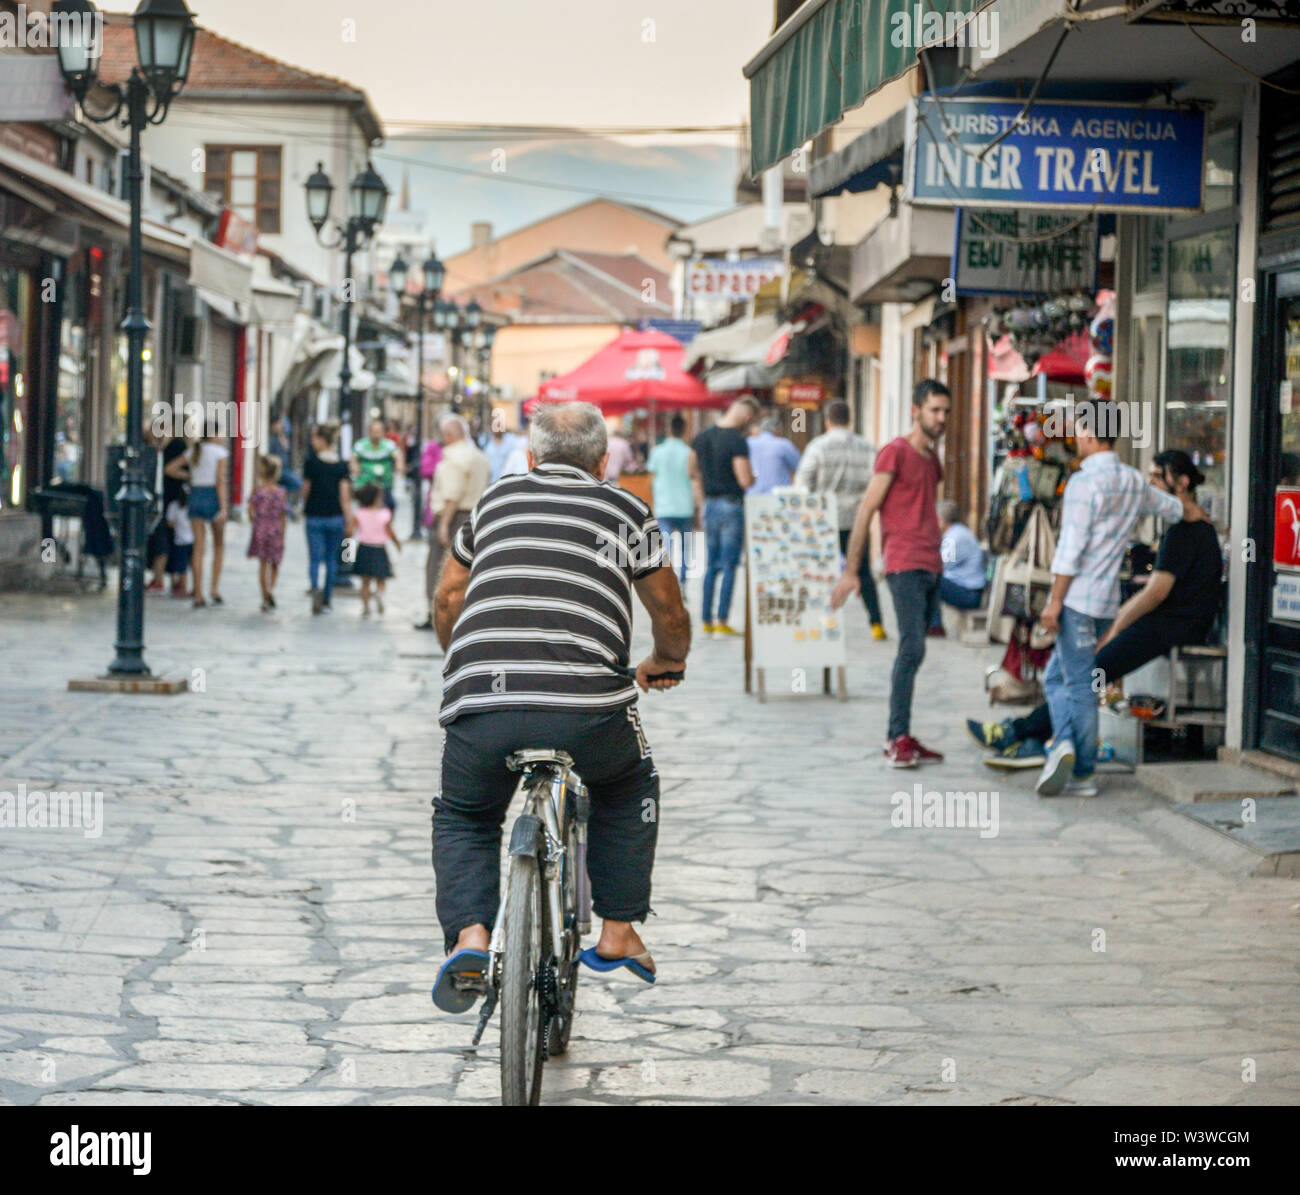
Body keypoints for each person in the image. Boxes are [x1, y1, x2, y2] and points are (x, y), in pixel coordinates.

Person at [429, 401, 690, 1011]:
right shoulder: (626, 508)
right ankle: (619, 930)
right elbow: (669, 612)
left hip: (483, 701)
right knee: (629, 786)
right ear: (603, 462)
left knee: (465, 814)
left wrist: (461, 659)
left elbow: (448, 596)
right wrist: (667, 662)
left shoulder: (495, 500)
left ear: (529, 457)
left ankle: (470, 936)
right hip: (589, 708)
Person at [970, 449, 1221, 770]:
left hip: (1170, 625)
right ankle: (1036, 738)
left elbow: (1155, 593)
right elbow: (1153, 501)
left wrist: (1117, 625)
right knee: (1081, 676)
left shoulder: (1183, 532)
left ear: (1182, 482)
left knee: (1091, 674)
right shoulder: (1187, 524)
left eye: (1159, 475)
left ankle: (1035, 741)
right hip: (1172, 622)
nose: (1152, 481)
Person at [1033, 405, 1209, 797]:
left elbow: (1070, 550)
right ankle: (1063, 744)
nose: (1076, 438)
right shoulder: (1131, 480)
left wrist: (1053, 602)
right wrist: (1198, 513)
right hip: (1106, 603)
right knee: (1059, 677)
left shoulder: (1083, 484)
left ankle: (1082, 771)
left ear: (1093, 435)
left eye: (1079, 431)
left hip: (1077, 600)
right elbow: (1171, 507)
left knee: (1077, 685)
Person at [831, 379, 951, 768]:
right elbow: (866, 511)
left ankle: (904, 733)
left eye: (946, 411)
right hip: (903, 564)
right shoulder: (893, 453)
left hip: (931, 563)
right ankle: (895, 737)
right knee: (911, 647)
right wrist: (852, 571)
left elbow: (925, 508)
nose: (942, 418)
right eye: (935, 410)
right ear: (915, 410)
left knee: (917, 650)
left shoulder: (932, 460)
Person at [795, 399, 886, 640]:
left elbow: (803, 481)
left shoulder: (818, 447)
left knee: (821, 572)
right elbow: (876, 481)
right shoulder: (867, 448)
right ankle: (876, 623)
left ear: (827, 420)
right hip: (857, 520)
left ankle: (822, 619)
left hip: (825, 519)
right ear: (850, 419)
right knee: (864, 572)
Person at [690, 396, 758, 635]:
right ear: (747, 417)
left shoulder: (701, 437)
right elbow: (744, 479)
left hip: (710, 505)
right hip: (732, 506)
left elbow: (692, 472)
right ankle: (722, 620)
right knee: (729, 565)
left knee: (712, 565)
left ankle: (705, 619)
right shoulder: (737, 441)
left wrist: (701, 504)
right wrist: (753, 478)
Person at [417, 414, 490, 633]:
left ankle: (438, 614)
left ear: (448, 435)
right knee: (467, 568)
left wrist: (442, 525)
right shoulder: (479, 456)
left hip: (454, 517)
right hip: (474, 514)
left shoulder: (453, 459)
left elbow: (452, 495)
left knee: (440, 567)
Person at [302, 422, 354, 615]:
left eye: (314, 437)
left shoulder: (311, 462)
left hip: (314, 515)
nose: (312, 441)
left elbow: (305, 489)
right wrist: (348, 518)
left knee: (315, 558)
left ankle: (315, 588)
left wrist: (304, 504)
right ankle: (327, 598)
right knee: (332, 559)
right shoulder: (341, 465)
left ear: (322, 440)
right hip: (335, 517)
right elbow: (345, 495)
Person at [648, 414, 694, 588]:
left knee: (665, 547)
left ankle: (667, 582)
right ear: (684, 430)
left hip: (664, 506)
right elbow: (693, 478)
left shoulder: (657, 452)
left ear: (669, 430)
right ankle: (682, 584)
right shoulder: (689, 452)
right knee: (685, 548)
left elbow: (651, 477)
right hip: (685, 506)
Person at [928, 499, 986, 636]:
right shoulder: (956, 533)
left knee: (932, 579)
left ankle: (935, 626)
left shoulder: (955, 538)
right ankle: (932, 624)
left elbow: (939, 565)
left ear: (941, 521)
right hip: (967, 589)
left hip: (971, 594)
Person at [188, 423, 229, 608]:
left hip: (195, 495)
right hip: (212, 497)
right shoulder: (219, 453)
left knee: (198, 547)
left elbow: (170, 468)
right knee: (218, 545)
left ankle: (197, 593)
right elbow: (220, 480)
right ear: (213, 434)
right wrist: (223, 507)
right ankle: (214, 588)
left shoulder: (194, 451)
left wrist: (188, 478)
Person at [247, 454, 290, 613]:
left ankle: (264, 596)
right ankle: (270, 590)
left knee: (262, 564)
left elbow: (250, 512)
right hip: (275, 529)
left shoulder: (257, 491)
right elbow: (283, 514)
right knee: (275, 563)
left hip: (260, 528)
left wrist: (257, 524)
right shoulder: (281, 492)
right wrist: (283, 533)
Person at [351, 481, 402, 617]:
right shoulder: (385, 513)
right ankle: (379, 594)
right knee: (381, 577)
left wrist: (347, 551)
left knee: (365, 581)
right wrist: (398, 544)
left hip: (364, 549)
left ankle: (366, 606)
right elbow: (391, 532)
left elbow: (349, 531)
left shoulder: (360, 513)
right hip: (380, 549)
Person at [352, 418, 402, 511]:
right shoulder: (361, 445)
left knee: (390, 504)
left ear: (383, 432)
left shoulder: (389, 445)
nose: (376, 434)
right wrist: (355, 468)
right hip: (366, 484)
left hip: (384, 483)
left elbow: (398, 456)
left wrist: (399, 468)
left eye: (379, 431)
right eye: (374, 431)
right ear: (369, 432)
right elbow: (353, 458)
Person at [746, 414, 802, 495]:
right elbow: (801, 466)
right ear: (776, 431)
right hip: (777, 497)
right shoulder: (784, 444)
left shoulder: (748, 443)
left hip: (751, 496)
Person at [267, 416, 301, 512]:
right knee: (297, 483)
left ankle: (286, 507)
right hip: (279, 470)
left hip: (286, 468)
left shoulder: (283, 438)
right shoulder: (272, 440)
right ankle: (288, 509)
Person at [165, 491, 194, 599]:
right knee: (187, 565)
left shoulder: (174, 506)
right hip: (193, 539)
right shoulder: (192, 505)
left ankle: (180, 587)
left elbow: (170, 522)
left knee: (181, 566)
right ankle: (185, 587)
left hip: (180, 540)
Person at [482, 420, 524, 485]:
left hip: (506, 482)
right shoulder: (486, 442)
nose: (498, 428)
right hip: (491, 482)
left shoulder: (511, 442)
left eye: (500, 426)